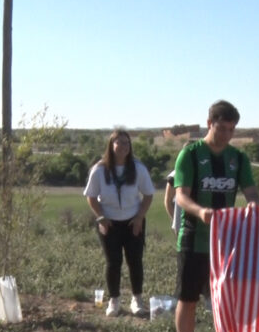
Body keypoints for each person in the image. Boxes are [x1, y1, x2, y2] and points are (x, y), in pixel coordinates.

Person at [172, 100, 259, 332]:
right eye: (222, 128)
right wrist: (201, 212)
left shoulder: (239, 158)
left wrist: (255, 208)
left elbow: (252, 194)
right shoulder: (190, 154)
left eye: (232, 130)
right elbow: (180, 196)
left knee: (228, 302)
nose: (226, 135)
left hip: (227, 242)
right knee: (188, 300)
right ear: (209, 123)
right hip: (193, 238)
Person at [84, 129, 154, 317]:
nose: (123, 146)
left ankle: (137, 300)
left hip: (133, 221)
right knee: (113, 262)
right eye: (119, 142)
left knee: (135, 261)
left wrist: (139, 217)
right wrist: (101, 218)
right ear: (111, 145)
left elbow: (148, 194)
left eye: (126, 143)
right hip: (109, 222)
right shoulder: (99, 169)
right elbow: (90, 196)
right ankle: (114, 300)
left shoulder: (138, 168)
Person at [164, 168, 211, 312]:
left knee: (207, 263)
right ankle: (182, 301)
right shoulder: (176, 174)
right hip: (184, 224)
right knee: (185, 264)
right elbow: (168, 200)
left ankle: (208, 298)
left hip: (204, 225)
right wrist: (175, 221)